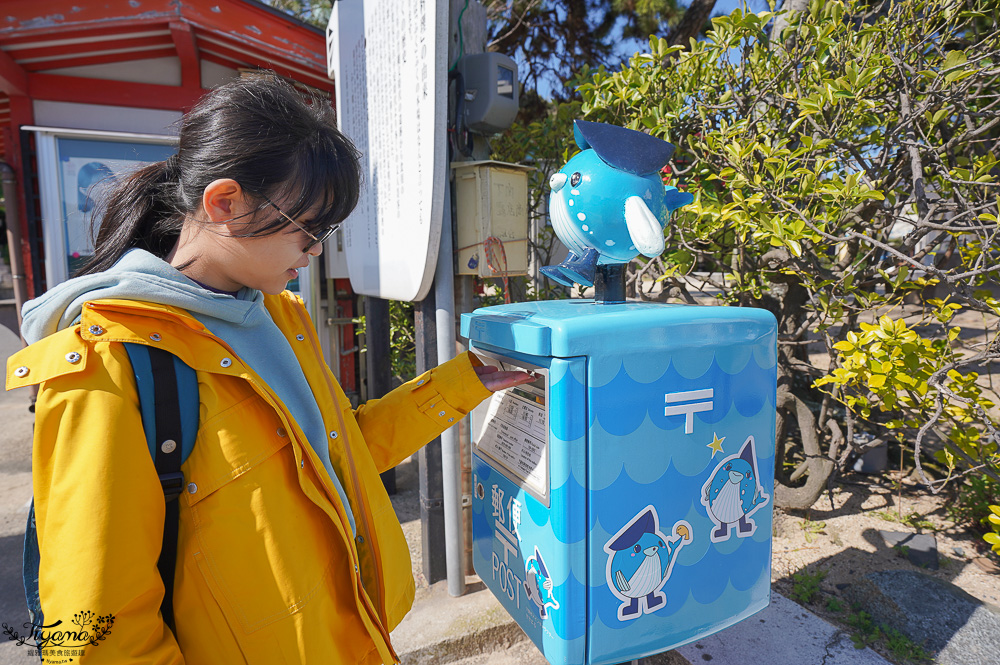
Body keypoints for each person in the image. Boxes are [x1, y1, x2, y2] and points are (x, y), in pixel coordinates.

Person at [7, 74, 532, 664]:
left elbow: (336, 457)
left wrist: (460, 385)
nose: (315, 252)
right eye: (309, 231)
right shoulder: (110, 364)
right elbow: (95, 634)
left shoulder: (281, 319)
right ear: (225, 203)